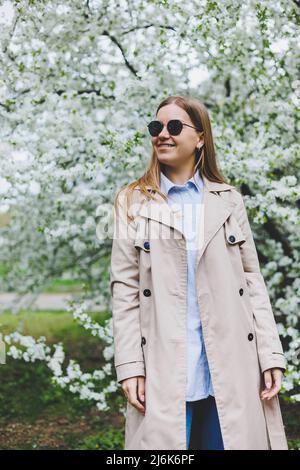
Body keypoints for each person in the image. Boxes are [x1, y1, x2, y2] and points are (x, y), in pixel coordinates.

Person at [109, 95, 288, 450]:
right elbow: (124, 291)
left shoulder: (229, 200)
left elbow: (252, 283)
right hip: (164, 370)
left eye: (174, 126)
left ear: (200, 137)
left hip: (231, 365)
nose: (162, 134)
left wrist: (270, 355)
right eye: (156, 127)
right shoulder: (132, 201)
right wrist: (130, 366)